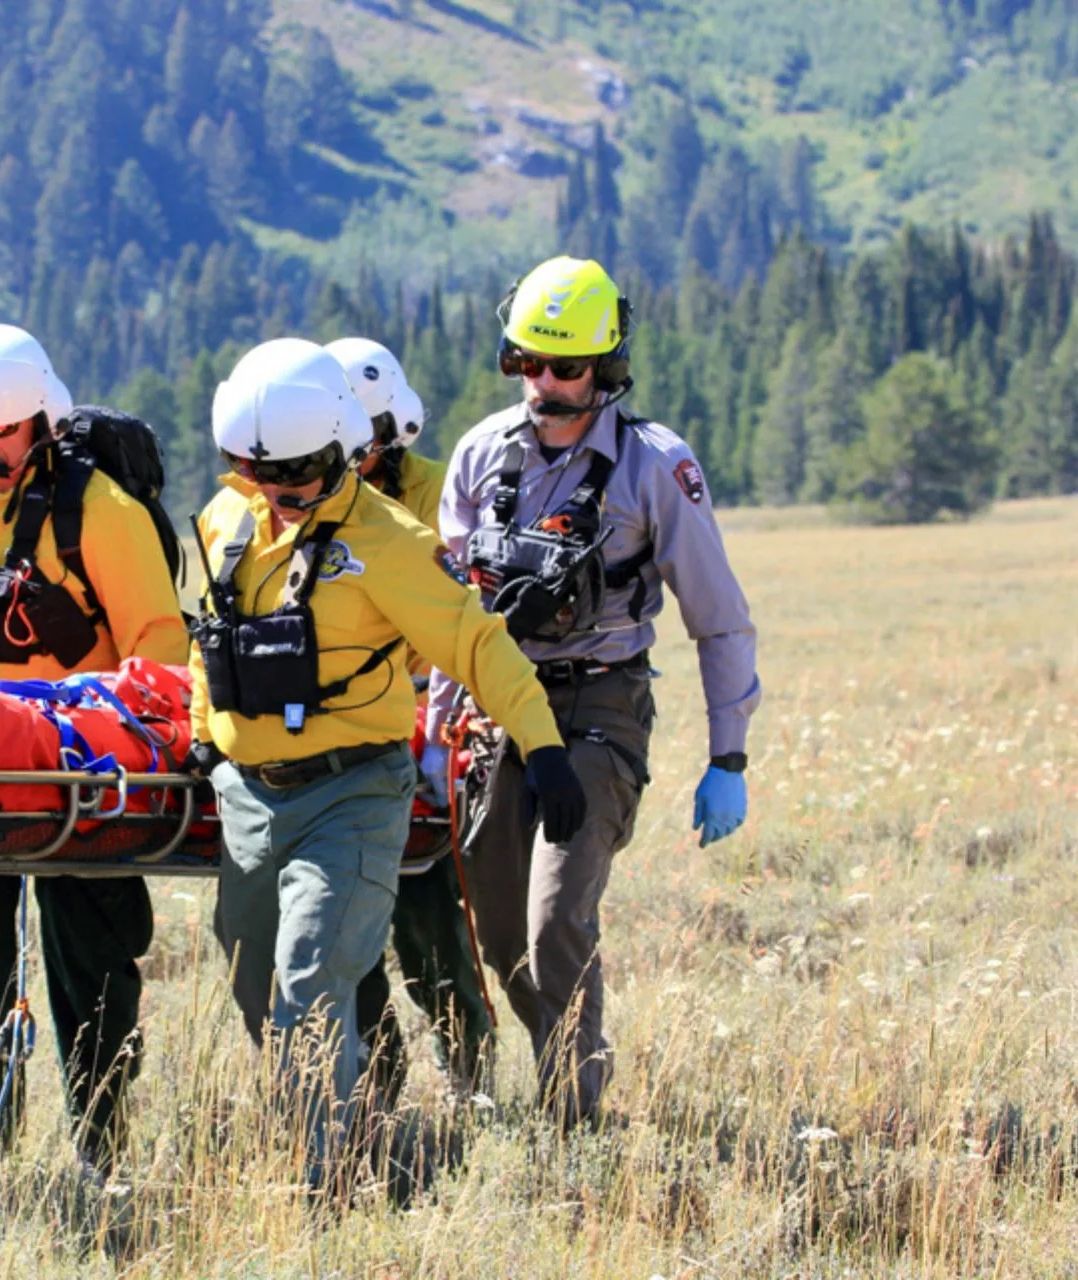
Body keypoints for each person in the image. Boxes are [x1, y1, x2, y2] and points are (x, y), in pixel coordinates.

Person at [185, 338, 585, 1189]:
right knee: (258, 982)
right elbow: (205, 640)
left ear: (339, 448)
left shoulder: (391, 543)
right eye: (262, 477)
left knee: (311, 977)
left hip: (353, 794)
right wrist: (199, 730)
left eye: (296, 478)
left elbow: (478, 644)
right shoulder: (227, 522)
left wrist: (544, 748)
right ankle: (364, 1123)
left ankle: (321, 1183)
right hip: (249, 799)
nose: (282, 497)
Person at [426, 256, 761, 1127]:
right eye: (526, 363)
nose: (543, 384)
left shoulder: (658, 468)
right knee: (499, 937)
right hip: (495, 709)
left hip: (599, 708)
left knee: (554, 923)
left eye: (565, 367)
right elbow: (444, 609)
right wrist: (434, 727)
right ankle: (560, 1061)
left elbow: (719, 618)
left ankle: (574, 1123)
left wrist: (729, 755)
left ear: (607, 368)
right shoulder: (479, 455)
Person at [0, 324, 186, 1174]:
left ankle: (101, 1143)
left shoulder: (102, 512)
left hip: (79, 778)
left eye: (2, 432)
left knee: (94, 963)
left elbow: (159, 653)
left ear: (40, 424)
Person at [321, 338, 497, 1108]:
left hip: (421, 722)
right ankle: (374, 1075)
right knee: (338, 918)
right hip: (331, 728)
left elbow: (462, 609)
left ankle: (469, 1064)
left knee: (424, 912)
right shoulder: (295, 499)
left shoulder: (435, 493)